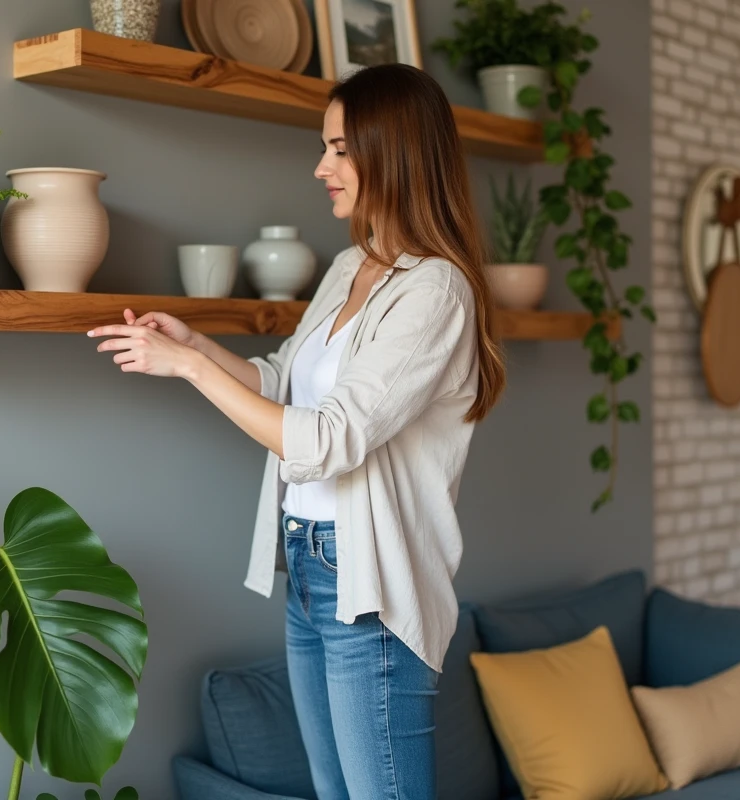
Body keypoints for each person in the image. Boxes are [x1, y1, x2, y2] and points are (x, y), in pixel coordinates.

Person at [87, 63, 505, 800]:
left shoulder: (437, 290)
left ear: (394, 151)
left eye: (340, 148)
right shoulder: (350, 267)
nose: (322, 167)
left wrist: (188, 368)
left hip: (369, 582)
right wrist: (200, 345)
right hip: (309, 568)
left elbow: (324, 442)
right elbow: (282, 384)